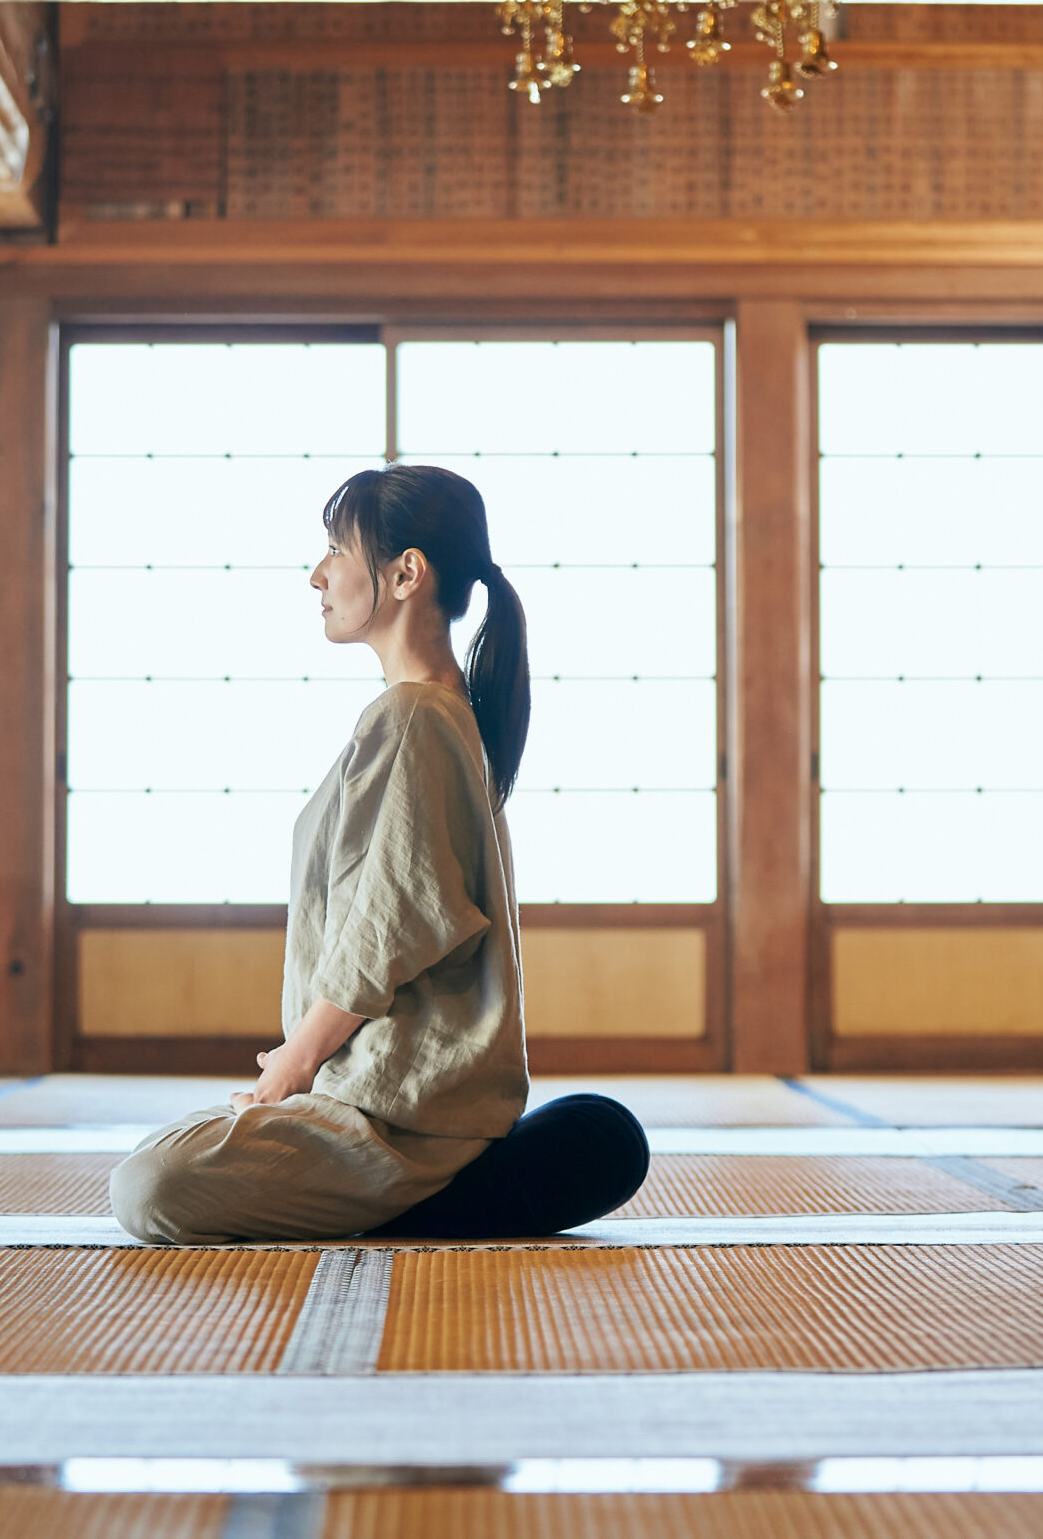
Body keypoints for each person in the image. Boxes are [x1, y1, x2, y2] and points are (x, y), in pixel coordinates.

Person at [111, 464, 649, 1244]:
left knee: (149, 1186)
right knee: (160, 1162)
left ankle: (430, 1200)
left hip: (401, 1113)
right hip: (369, 1095)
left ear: (405, 573)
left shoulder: (414, 718)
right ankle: (452, 1196)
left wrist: (294, 1063)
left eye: (335, 548)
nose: (316, 574)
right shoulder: (433, 713)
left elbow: (387, 929)